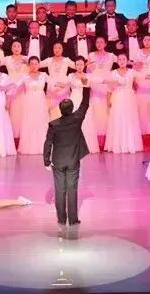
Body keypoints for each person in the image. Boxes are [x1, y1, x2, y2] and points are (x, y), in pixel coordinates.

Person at [44, 79, 91, 230]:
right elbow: (85, 104)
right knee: (72, 189)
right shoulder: (77, 119)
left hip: (58, 161)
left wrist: (46, 161)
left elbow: (48, 143)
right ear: (72, 109)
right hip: (72, 161)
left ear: (60, 109)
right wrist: (86, 87)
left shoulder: (54, 124)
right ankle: (73, 220)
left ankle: (61, 219)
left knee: (60, 190)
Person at [104, 53, 143, 154]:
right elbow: (109, 90)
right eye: (119, 59)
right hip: (116, 98)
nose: (121, 61)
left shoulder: (131, 72)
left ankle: (130, 144)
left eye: (124, 59)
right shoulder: (112, 73)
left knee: (129, 120)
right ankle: (118, 145)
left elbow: (143, 75)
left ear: (127, 61)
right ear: (117, 61)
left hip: (129, 99)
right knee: (118, 120)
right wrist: (108, 102)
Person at [14, 56, 50, 154]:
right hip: (29, 102)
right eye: (32, 64)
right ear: (29, 65)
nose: (34, 66)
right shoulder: (25, 76)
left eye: (36, 64)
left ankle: (42, 146)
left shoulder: (43, 75)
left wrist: (67, 85)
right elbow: (15, 85)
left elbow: (54, 82)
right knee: (29, 122)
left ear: (39, 64)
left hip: (40, 102)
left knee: (41, 123)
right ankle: (29, 147)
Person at [66, 57, 100, 154]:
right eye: (77, 64)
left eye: (81, 64)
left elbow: (86, 87)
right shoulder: (71, 76)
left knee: (85, 122)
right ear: (75, 65)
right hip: (73, 100)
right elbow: (65, 85)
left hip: (83, 100)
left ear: (84, 65)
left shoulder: (86, 76)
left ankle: (86, 146)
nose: (79, 66)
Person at [3, 41, 28, 139]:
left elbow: (35, 67)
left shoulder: (26, 58)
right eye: (14, 46)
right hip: (11, 89)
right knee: (12, 112)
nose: (16, 48)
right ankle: (11, 135)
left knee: (23, 111)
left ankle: (23, 134)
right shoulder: (7, 59)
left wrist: (28, 63)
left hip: (23, 89)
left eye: (18, 46)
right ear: (11, 48)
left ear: (21, 48)